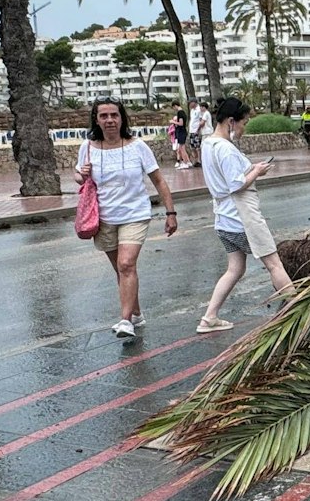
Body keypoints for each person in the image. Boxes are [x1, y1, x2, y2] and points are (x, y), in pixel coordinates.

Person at [78, 98, 178, 337]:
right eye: (104, 116)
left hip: (135, 214)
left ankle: (125, 321)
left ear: (122, 118)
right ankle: (136, 314)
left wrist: (171, 213)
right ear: (96, 120)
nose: (110, 120)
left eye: (114, 115)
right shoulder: (88, 147)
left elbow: (159, 180)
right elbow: (81, 178)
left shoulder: (138, 146)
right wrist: (81, 175)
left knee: (126, 264)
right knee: (121, 270)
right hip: (104, 218)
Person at [197, 97, 293, 332]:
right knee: (274, 265)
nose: (244, 128)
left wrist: (252, 169)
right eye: (244, 123)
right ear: (231, 121)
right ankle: (299, 313)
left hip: (223, 219)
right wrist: (257, 171)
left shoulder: (208, 144)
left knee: (235, 269)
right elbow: (236, 184)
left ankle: (209, 318)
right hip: (242, 218)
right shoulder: (226, 149)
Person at [188, 100, 213, 166]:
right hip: (192, 130)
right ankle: (196, 160)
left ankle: (201, 160)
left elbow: (202, 121)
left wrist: (198, 129)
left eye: (191, 103)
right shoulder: (192, 110)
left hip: (203, 131)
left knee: (200, 146)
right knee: (193, 146)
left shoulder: (202, 112)